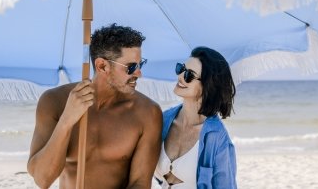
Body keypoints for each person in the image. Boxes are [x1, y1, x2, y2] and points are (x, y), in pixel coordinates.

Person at [27, 23, 162, 189]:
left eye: (141, 64)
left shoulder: (147, 113)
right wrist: (67, 120)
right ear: (102, 66)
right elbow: (42, 179)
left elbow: (140, 183)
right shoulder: (54, 101)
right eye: (131, 67)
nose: (139, 73)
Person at [154, 46, 237, 189]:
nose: (180, 76)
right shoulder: (163, 120)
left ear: (208, 86)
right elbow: (164, 177)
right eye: (181, 68)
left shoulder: (217, 139)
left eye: (189, 75)